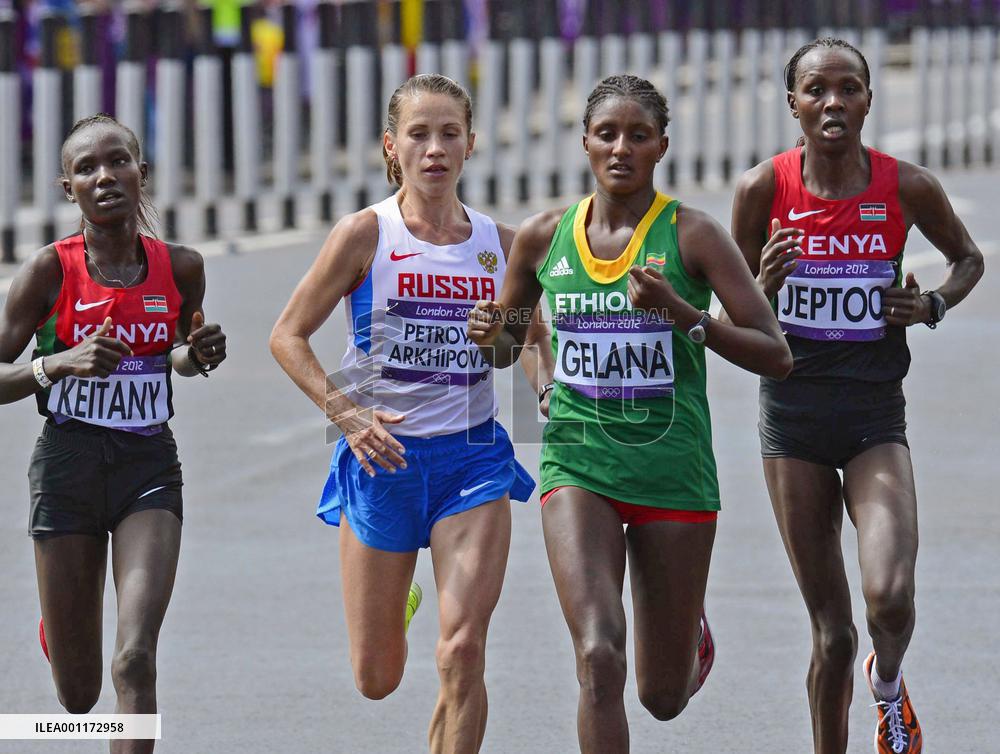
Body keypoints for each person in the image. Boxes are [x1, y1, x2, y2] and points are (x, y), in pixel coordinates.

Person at [468, 74, 792, 753]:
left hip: (673, 473)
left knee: (661, 696)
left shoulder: (694, 236)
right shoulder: (541, 239)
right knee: (597, 657)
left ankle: (688, 639)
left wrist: (683, 314)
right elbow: (507, 346)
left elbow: (774, 353)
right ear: (585, 142)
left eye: (638, 136)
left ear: (661, 147)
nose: (621, 148)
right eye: (607, 134)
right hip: (577, 464)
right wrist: (493, 331)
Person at [269, 74, 539, 754]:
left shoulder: (499, 245)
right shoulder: (366, 234)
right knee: (377, 678)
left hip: (471, 462)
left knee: (463, 651)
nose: (435, 148)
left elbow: (527, 343)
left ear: (472, 144)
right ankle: (403, 605)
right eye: (419, 134)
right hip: (380, 461)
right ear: (393, 146)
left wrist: (539, 384)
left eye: (450, 133)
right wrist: (350, 416)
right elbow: (287, 335)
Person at [729, 38, 985, 754]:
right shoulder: (761, 189)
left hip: (874, 417)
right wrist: (762, 286)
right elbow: (723, 303)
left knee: (890, 600)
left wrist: (931, 304)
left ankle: (890, 686)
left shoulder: (906, 187)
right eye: (816, 90)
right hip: (793, 421)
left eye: (848, 89)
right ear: (794, 105)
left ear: (868, 100)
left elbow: (969, 258)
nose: (833, 102)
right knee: (833, 634)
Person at [0, 113, 227, 754]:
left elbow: (178, 355)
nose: (105, 177)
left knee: (134, 660)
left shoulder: (181, 268)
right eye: (86, 169)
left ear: (141, 173)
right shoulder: (48, 271)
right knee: (79, 694)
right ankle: (63, 627)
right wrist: (55, 364)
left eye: (118, 162)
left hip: (147, 467)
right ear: (66, 187)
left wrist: (197, 354)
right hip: (67, 466)